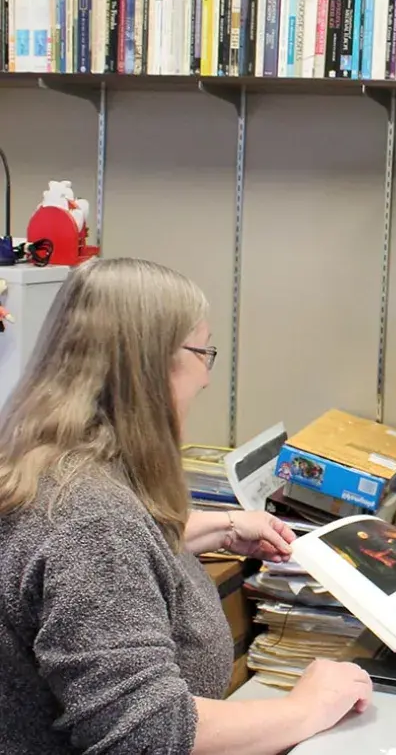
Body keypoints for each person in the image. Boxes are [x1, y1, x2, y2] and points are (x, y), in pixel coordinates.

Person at [0, 257, 372, 755]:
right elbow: (146, 735)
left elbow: (109, 566)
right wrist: (310, 706)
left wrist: (217, 528)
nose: (206, 377)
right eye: (203, 352)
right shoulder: (91, 520)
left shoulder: (48, 467)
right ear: (150, 365)